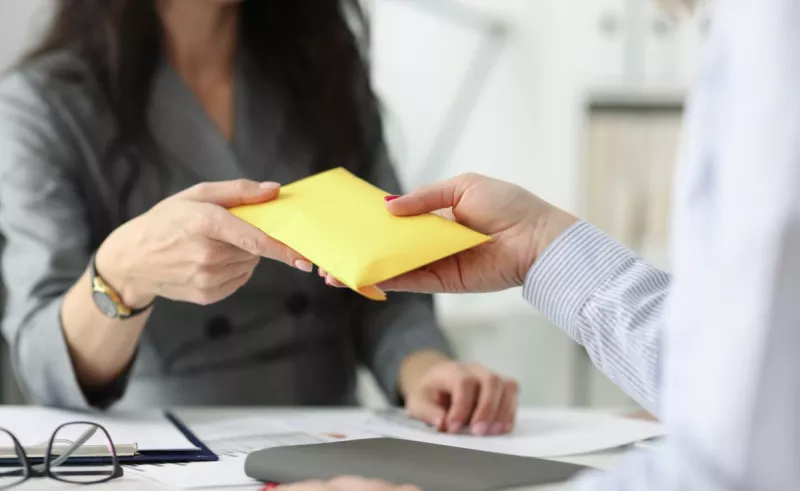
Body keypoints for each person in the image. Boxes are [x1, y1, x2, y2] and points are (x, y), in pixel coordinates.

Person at [306, 0, 800, 489]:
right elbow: (734, 381)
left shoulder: (773, 42)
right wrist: (538, 245)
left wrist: (426, 363)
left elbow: (733, 458)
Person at [0, 0, 518, 436]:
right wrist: (121, 273)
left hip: (337, 436)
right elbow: (45, 372)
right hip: (169, 445)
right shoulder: (43, 105)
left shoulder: (321, 65)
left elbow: (386, 278)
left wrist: (425, 369)